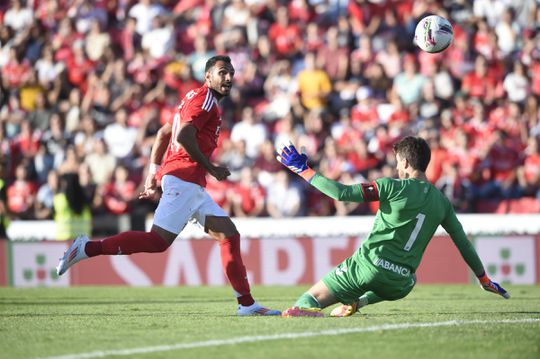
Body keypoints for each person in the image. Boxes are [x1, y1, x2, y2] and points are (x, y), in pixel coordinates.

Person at [56, 55, 280, 316]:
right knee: (157, 241)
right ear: (208, 76)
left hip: (188, 181)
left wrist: (152, 174)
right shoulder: (205, 100)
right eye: (222, 72)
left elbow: (164, 133)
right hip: (185, 178)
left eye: (231, 73)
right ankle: (86, 248)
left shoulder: (191, 99)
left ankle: (246, 304)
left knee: (229, 235)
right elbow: (183, 135)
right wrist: (212, 168)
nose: (228, 78)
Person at [276, 136, 509, 318]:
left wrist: (303, 169)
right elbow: (463, 244)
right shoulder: (442, 202)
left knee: (308, 302)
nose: (397, 166)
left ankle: (316, 307)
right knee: (412, 279)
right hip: (400, 283)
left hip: (367, 267)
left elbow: (341, 193)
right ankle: (361, 301)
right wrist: (483, 278)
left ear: (405, 163)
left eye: (398, 161)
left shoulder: (392, 187)